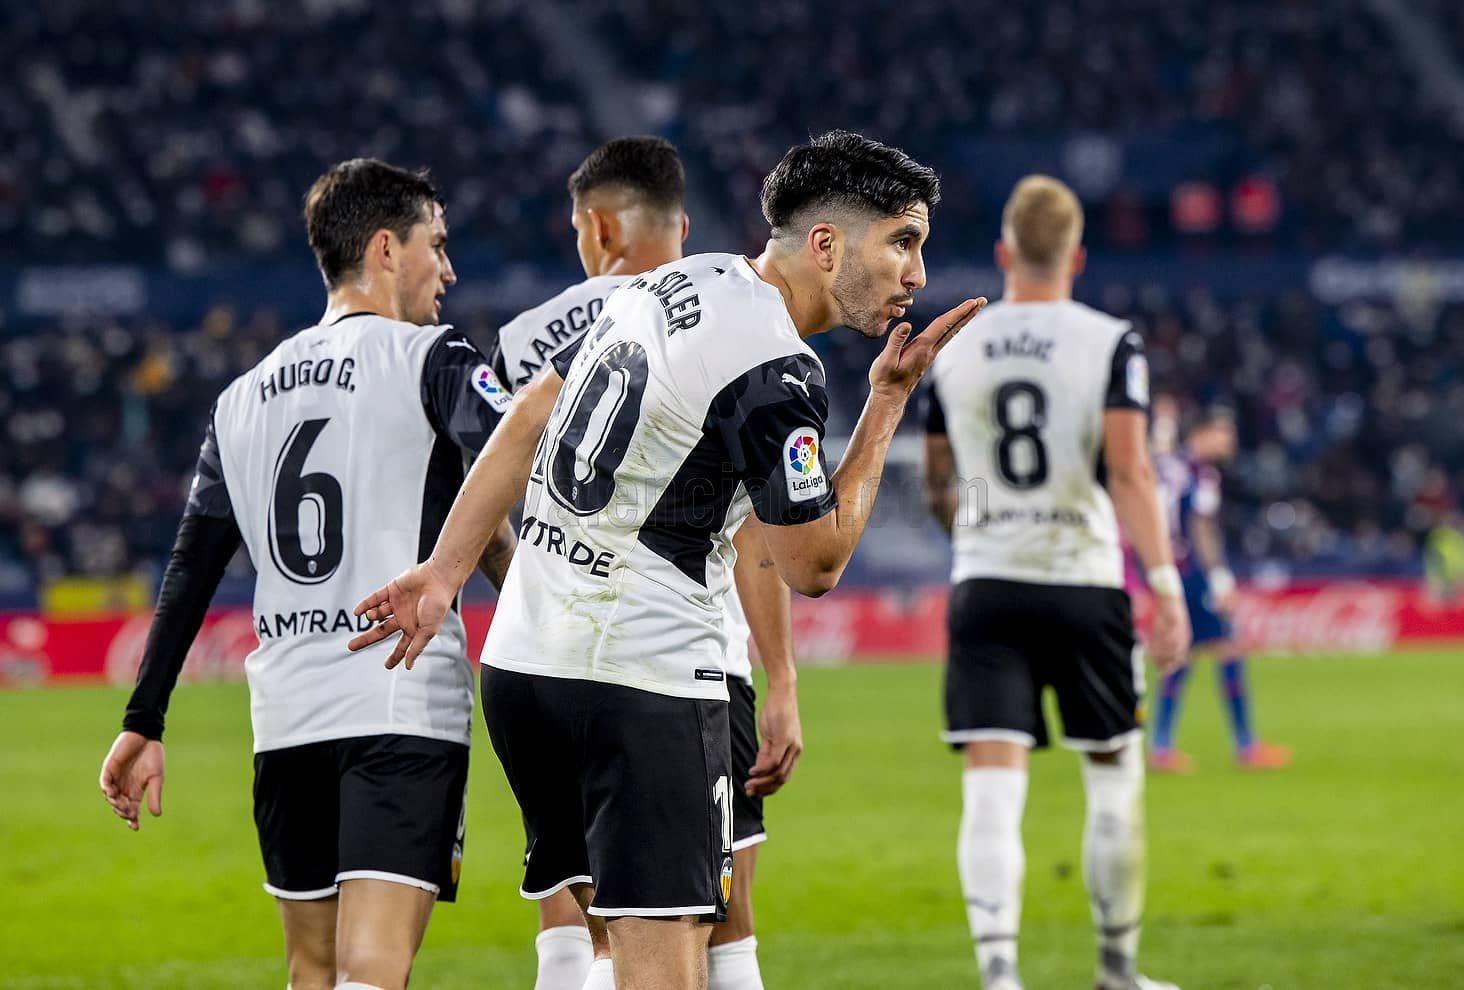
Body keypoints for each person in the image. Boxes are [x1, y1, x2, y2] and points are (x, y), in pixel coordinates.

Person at [351, 129, 986, 990]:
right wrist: (885, 405)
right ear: (827, 244)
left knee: (595, 952)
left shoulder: (672, 282)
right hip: (640, 686)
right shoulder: (777, 370)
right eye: (902, 241)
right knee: (667, 971)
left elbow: (532, 412)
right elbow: (814, 562)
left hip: (523, 673)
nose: (916, 272)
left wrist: (444, 572)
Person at [98, 159, 517, 990]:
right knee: (373, 972)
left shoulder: (242, 398)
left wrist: (144, 719)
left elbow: (192, 566)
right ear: (386, 249)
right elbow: (517, 448)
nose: (450, 269)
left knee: (312, 972)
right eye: (438, 245)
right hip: (400, 704)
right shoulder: (430, 357)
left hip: (287, 715)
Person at [493, 137, 799, 990]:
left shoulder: (524, 343)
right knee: (713, 921)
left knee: (579, 915)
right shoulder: (725, 326)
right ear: (686, 226)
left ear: (595, 228)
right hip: (687, 658)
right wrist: (781, 677)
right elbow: (750, 537)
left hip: (545, 646)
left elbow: (505, 477)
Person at [922, 174, 1189, 990]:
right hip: (1084, 581)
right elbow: (1130, 468)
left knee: (993, 789)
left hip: (988, 583)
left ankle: (1000, 977)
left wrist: (976, 527)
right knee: (1113, 777)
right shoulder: (1110, 341)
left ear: (1005, 252)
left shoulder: (957, 342)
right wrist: (1167, 584)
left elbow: (939, 479)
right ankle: (1116, 970)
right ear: (1077, 254)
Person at [1150, 407, 1291, 773]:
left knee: (1188, 652)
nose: (1230, 440)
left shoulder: (1169, 466)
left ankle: (1164, 745)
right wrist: (1219, 578)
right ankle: (1242, 745)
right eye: (1223, 432)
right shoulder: (1199, 473)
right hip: (1192, 572)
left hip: (1170, 568)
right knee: (1224, 648)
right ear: (1202, 433)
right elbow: (1201, 528)